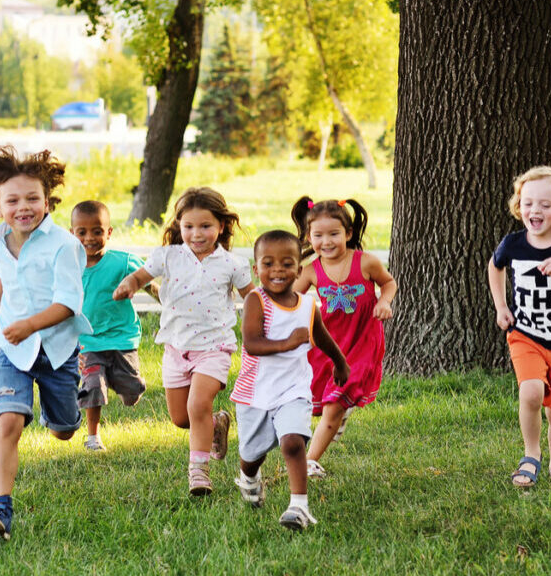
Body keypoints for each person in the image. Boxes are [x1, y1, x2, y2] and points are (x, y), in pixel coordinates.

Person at [0, 146, 91, 540]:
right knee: (7, 423)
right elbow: (8, 272)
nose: (24, 207)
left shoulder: (64, 245)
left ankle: (60, 413)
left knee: (64, 430)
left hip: (56, 349)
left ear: (48, 201)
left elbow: (68, 305)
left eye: (33, 198)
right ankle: (0, 506)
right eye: (13, 200)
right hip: (12, 349)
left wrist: (28, 325)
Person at [113, 187, 254, 496]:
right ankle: (215, 424)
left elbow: (254, 299)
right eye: (188, 226)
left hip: (214, 348)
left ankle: (198, 473)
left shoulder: (231, 264)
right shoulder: (169, 256)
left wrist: (266, 326)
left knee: (196, 404)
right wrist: (129, 284)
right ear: (179, 226)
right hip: (176, 348)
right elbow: (141, 276)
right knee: (181, 418)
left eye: (205, 226)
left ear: (221, 226)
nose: (196, 233)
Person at [231, 230, 349, 530]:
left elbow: (321, 337)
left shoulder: (308, 305)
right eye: (268, 264)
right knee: (251, 454)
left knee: (293, 443)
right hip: (255, 393)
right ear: (256, 270)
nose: (277, 271)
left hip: (294, 389)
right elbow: (253, 343)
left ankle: (299, 507)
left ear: (299, 269)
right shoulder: (257, 301)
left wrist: (340, 362)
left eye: (286, 264)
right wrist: (286, 343)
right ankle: (248, 476)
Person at [487, 167, 551, 488]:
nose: (536, 210)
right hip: (525, 335)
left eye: (545, 205)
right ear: (519, 206)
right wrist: (501, 307)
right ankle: (530, 455)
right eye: (528, 203)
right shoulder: (513, 244)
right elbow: (495, 267)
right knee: (530, 391)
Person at [290, 197, 396, 479]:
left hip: (361, 342)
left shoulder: (366, 262)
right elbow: (291, 299)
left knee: (334, 402)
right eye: (318, 235)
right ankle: (338, 413)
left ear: (348, 234)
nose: (327, 241)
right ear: (309, 236)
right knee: (320, 399)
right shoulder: (311, 270)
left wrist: (384, 301)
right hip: (327, 344)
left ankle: (309, 460)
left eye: (334, 234)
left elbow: (389, 282)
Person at [70, 200, 155, 452]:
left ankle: (125, 384)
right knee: (92, 385)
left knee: (131, 393)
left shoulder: (122, 261)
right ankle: (93, 437)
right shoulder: (67, 267)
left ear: (109, 232)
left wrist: (171, 303)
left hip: (121, 338)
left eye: (97, 231)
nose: (89, 238)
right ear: (71, 234)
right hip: (90, 341)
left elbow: (149, 284)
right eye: (81, 232)